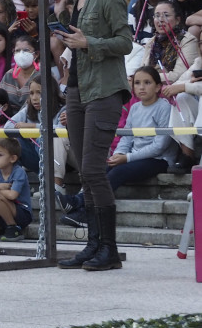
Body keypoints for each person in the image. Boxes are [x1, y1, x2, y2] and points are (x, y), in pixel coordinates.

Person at [53, 0, 133, 272]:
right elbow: (75, 43)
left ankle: (109, 249)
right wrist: (61, 20)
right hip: (78, 88)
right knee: (86, 173)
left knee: (93, 170)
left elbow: (125, 42)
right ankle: (93, 245)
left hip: (103, 88)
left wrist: (89, 44)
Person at [59, 66, 175, 227]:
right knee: (102, 168)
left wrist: (126, 158)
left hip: (158, 159)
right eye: (138, 83)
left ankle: (86, 212)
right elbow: (126, 137)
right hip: (135, 156)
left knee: (119, 171)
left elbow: (160, 146)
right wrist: (119, 154)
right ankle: (79, 201)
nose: (141, 87)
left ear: (157, 87)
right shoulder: (134, 108)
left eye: (147, 83)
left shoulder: (164, 107)